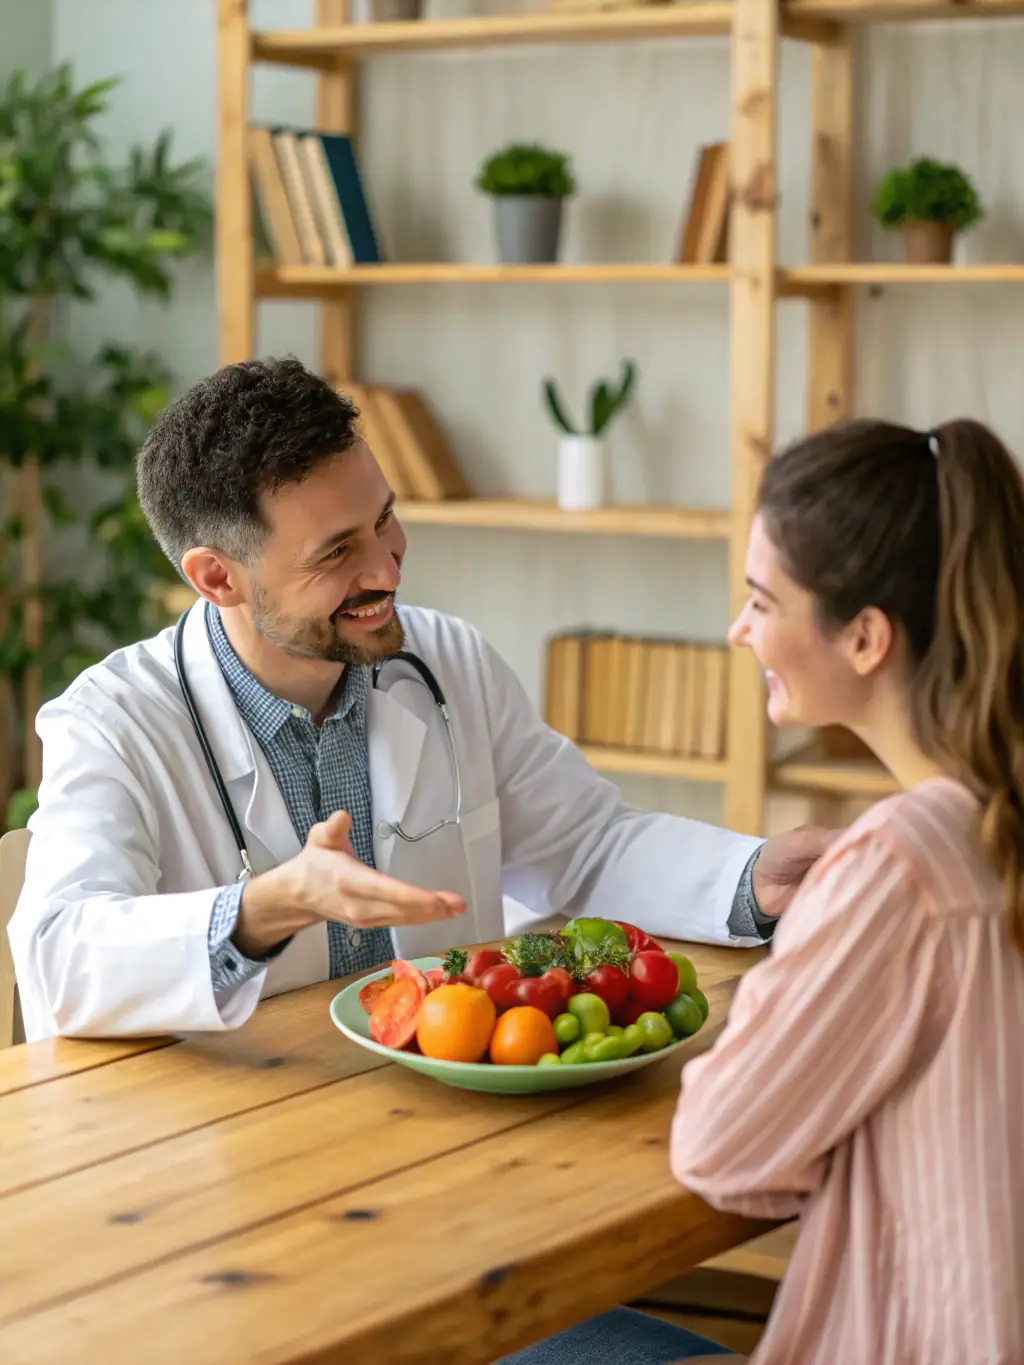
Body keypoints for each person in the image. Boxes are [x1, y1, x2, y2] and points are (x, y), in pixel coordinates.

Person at [8, 357, 830, 1042]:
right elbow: (56, 956)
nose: (388, 569)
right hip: (221, 1141)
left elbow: (584, 846)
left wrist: (754, 877)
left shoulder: (448, 660)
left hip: (438, 1114)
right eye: (337, 552)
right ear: (217, 576)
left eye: (386, 520)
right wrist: (264, 909)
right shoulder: (112, 721)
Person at [511, 415, 1024, 1364]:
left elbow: (722, 1146)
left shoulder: (899, 867)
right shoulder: (992, 821)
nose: (738, 629)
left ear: (866, 636)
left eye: (761, 599)